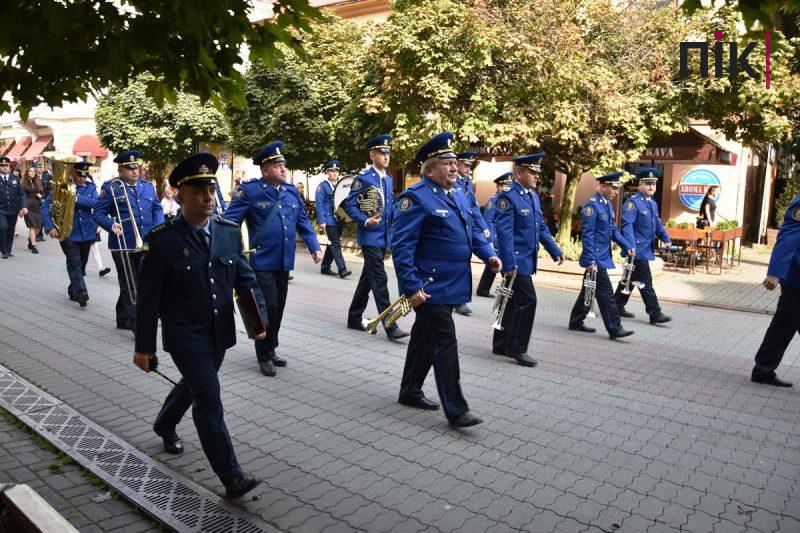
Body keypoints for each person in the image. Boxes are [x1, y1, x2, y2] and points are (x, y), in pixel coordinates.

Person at [133, 153, 268, 498]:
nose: (208, 197)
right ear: (181, 195)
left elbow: (245, 280)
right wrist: (144, 347)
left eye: (211, 189)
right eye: (198, 191)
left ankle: (164, 423)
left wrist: (257, 321)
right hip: (183, 333)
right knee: (208, 396)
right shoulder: (162, 239)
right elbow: (148, 299)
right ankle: (231, 476)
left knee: (195, 385)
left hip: (219, 331)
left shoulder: (226, 232)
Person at [392, 132, 501, 427]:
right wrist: (411, 287)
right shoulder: (415, 198)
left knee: (424, 339)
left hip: (452, 283)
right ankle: (456, 408)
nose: (454, 168)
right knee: (445, 341)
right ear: (429, 170)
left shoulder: (459, 195)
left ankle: (410, 390)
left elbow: (474, 231)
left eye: (455, 162)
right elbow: (402, 247)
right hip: (428, 286)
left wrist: (488, 254)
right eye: (446, 163)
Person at [224, 141, 323, 377]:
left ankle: (271, 347)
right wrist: (229, 252)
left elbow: (302, 222)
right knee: (268, 306)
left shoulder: (290, 192)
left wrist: (314, 246)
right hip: (260, 261)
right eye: (277, 165)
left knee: (278, 307)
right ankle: (264, 354)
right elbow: (229, 222)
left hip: (283, 261)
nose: (283, 169)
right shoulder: (250, 191)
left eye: (283, 165)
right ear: (265, 169)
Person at [492, 153, 564, 366]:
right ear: (518, 173)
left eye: (537, 173)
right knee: (528, 300)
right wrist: (509, 263)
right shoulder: (508, 196)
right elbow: (504, 233)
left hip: (526, 259)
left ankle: (501, 343)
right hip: (516, 261)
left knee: (512, 301)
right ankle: (518, 349)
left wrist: (554, 249)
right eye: (532, 172)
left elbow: (540, 227)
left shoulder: (531, 195)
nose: (536, 177)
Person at [344, 134, 409, 340]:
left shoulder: (388, 179)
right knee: (379, 278)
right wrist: (364, 220)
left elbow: (388, 208)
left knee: (368, 278)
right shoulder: (363, 178)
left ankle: (354, 317)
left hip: (384, 236)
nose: (386, 156)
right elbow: (349, 204)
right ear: (372, 155)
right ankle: (390, 324)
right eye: (382, 153)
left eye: (388, 153)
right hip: (370, 236)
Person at [93, 150, 164, 331]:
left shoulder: (147, 186)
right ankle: (137, 324)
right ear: (121, 169)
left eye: (136, 168)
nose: (134, 171)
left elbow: (157, 208)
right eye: (129, 168)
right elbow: (99, 214)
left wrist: (158, 227)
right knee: (129, 282)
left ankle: (123, 317)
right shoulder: (111, 187)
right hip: (122, 243)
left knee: (142, 280)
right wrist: (111, 225)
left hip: (146, 241)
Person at [568, 172, 636, 339]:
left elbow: (613, 230)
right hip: (596, 258)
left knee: (588, 288)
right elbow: (587, 236)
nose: (616, 191)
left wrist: (627, 245)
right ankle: (615, 328)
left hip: (603, 256)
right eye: (613, 187)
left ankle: (576, 320)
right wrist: (590, 259)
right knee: (606, 293)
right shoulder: (592, 207)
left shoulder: (606, 205)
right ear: (603, 186)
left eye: (617, 188)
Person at [751, 192, 800, 388]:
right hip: (796, 278)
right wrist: (775, 273)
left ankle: (763, 369)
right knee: (783, 324)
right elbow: (789, 237)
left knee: (783, 325)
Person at [614, 168, 673, 324]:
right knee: (646, 282)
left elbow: (657, 224)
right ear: (640, 184)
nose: (651, 187)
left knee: (630, 279)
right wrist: (630, 247)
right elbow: (627, 226)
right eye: (648, 184)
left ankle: (616, 306)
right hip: (636, 250)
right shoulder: (632, 203)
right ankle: (655, 313)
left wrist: (665, 237)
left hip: (644, 250)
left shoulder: (652, 204)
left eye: (654, 184)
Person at [41, 161, 98, 307]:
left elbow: (94, 203)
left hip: (86, 232)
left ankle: (73, 289)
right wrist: (49, 227)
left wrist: (75, 198)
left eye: (85, 176)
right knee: (74, 262)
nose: (83, 179)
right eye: (80, 175)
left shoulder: (91, 187)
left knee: (82, 264)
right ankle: (81, 293)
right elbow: (45, 206)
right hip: (67, 232)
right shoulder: (62, 187)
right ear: (73, 172)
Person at [453, 151, 491, 316]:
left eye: (470, 166)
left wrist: (484, 227)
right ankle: (457, 300)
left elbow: (474, 207)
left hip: (467, 229)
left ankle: (460, 300)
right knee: (457, 266)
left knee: (464, 265)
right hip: (456, 228)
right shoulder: (453, 182)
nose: (468, 168)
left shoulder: (468, 182)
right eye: (466, 165)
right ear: (458, 164)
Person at [476, 172, 514, 298]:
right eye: (505, 186)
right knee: (504, 267)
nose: (508, 188)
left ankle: (483, 289)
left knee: (493, 266)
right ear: (499, 187)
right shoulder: (494, 201)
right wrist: (490, 240)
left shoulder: (506, 199)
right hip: (496, 239)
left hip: (503, 238)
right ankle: (507, 292)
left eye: (510, 185)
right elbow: (489, 221)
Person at [315, 159, 351, 278]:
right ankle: (342, 270)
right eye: (332, 171)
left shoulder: (341, 185)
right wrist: (322, 221)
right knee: (336, 244)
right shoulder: (323, 186)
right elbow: (319, 204)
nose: (335, 173)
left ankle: (325, 266)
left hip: (339, 219)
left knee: (332, 243)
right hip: (329, 219)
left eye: (337, 171)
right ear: (327, 172)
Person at [0, 156, 27, 258]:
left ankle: (8, 250)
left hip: (13, 209)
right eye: (2, 165)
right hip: (1, 210)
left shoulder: (15, 178)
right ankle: (3, 250)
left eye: (6, 165)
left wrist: (23, 206)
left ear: (9, 166)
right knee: (3, 227)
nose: (5, 167)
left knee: (11, 230)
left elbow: (21, 194)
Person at [21, 166, 44, 254]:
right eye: (31, 171)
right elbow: (20, 196)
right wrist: (21, 208)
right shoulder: (23, 183)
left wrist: (40, 195)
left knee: (38, 227)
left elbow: (42, 192)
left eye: (34, 171)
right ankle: (34, 246)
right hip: (27, 207)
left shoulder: (37, 182)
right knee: (32, 226)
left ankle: (31, 239)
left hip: (37, 206)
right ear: (27, 173)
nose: (33, 172)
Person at [35, 162, 51, 241]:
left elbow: (48, 188)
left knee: (42, 217)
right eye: (39, 167)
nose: (41, 168)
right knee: (38, 218)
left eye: (41, 167)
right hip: (35, 200)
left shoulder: (45, 176)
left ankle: (40, 234)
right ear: (35, 168)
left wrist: (48, 198)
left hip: (44, 200)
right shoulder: (33, 177)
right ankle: (36, 235)